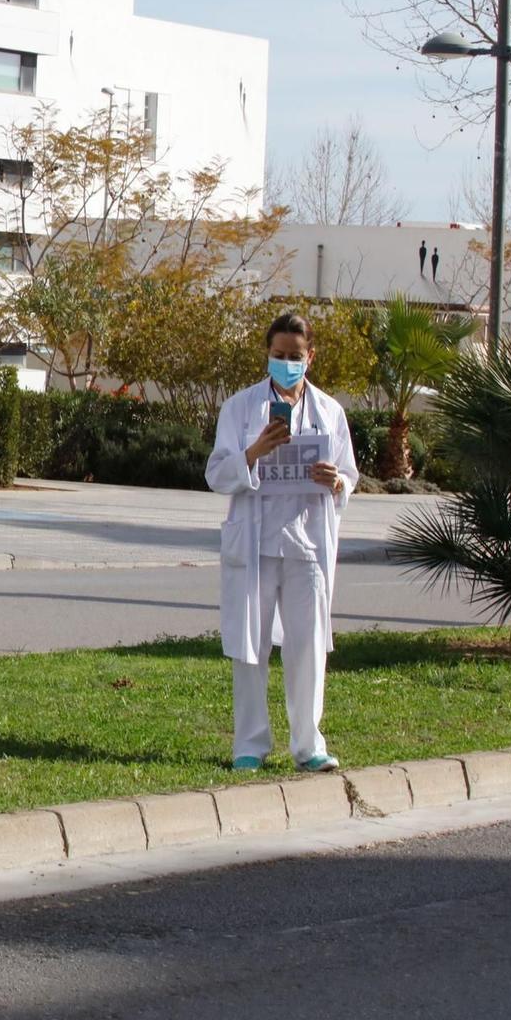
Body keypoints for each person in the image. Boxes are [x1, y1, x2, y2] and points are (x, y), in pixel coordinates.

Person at [205, 311, 359, 773]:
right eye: (279, 356)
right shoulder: (240, 408)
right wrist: (254, 452)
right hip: (255, 544)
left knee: (308, 645)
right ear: (267, 355)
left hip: (307, 544)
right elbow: (216, 473)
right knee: (250, 646)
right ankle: (249, 744)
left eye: (295, 356)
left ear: (310, 357)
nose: (287, 363)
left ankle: (308, 745)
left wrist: (336, 481)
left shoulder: (330, 412)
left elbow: (349, 475)